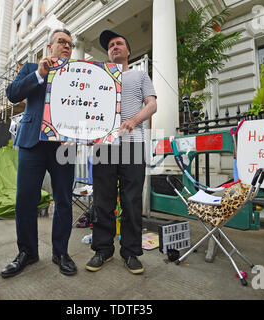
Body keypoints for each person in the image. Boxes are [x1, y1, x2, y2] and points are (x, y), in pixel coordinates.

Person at [1, 29, 77, 278]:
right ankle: (27, 252)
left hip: (63, 146)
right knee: (25, 200)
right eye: (61, 42)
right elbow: (13, 94)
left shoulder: (77, 74)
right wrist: (39, 74)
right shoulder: (31, 68)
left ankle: (61, 252)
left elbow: (85, 110)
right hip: (32, 142)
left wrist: (77, 136)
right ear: (49, 47)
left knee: (64, 200)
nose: (66, 46)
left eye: (70, 44)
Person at [85, 30, 157, 274]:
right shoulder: (98, 78)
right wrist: (86, 135)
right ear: (108, 53)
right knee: (103, 200)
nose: (114, 47)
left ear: (128, 51)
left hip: (133, 144)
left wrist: (133, 121)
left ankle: (131, 252)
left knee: (131, 200)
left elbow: (152, 104)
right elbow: (87, 110)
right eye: (111, 46)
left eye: (119, 43)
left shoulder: (139, 75)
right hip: (103, 145)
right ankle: (103, 250)